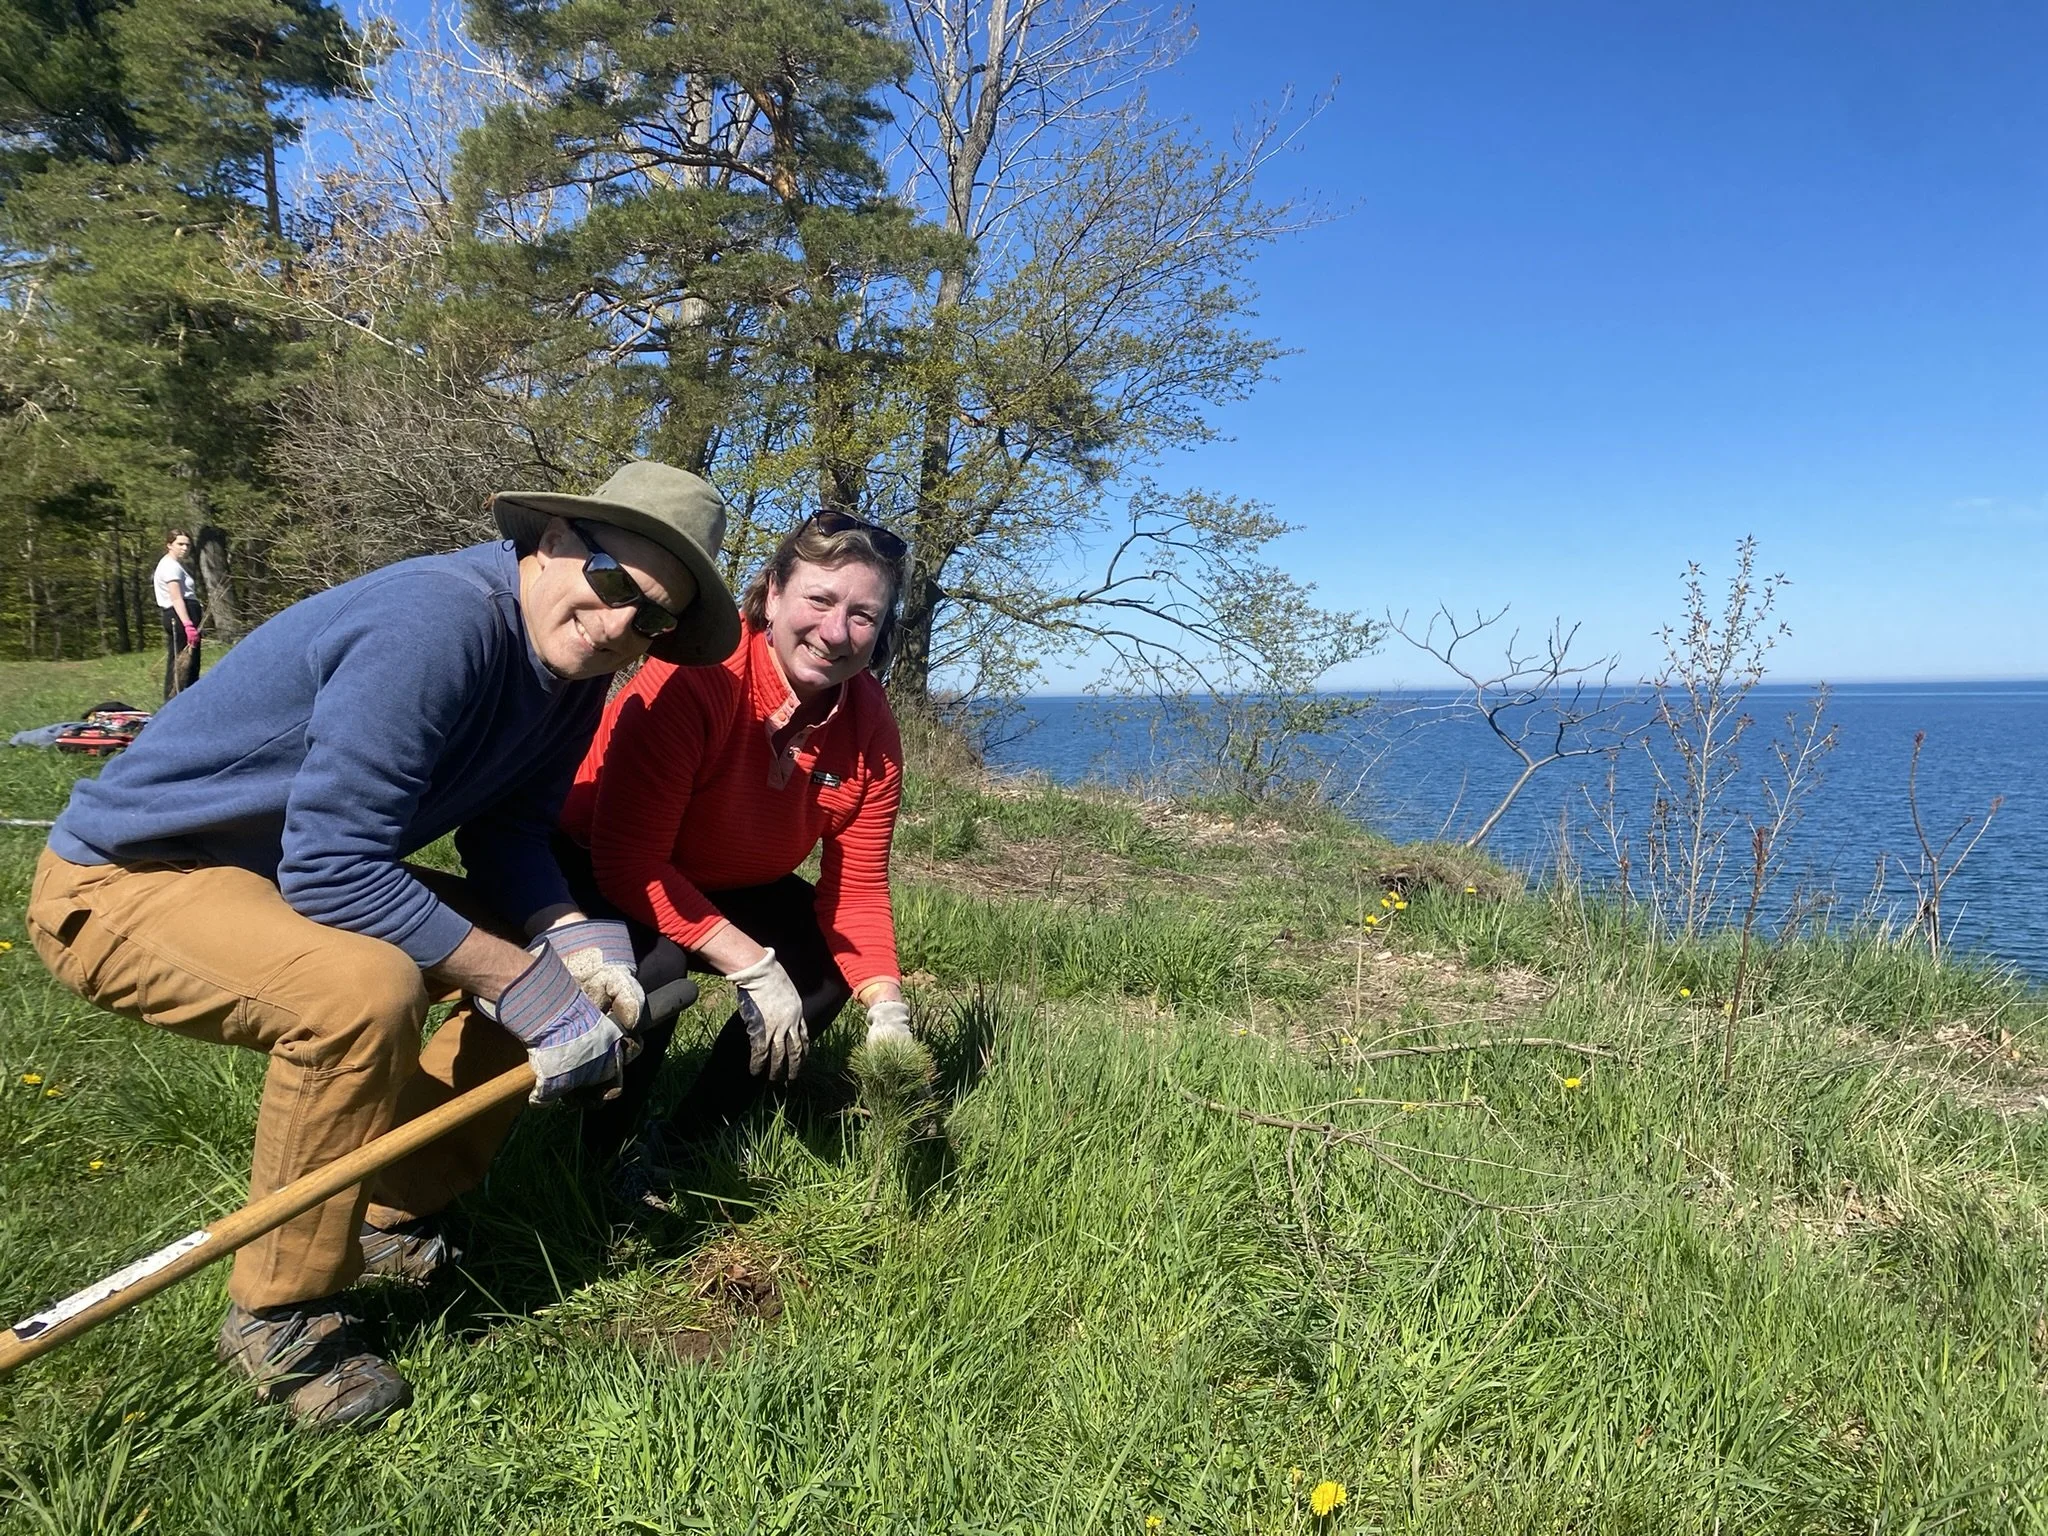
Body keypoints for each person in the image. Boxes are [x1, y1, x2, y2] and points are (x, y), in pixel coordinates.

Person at [26, 461, 740, 1429]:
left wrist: (577, 948)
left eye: (651, 619)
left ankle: (388, 1214)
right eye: (612, 582)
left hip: (275, 874)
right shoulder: (436, 621)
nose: (617, 624)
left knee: (552, 963)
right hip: (128, 876)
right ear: (552, 541)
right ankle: (282, 1314)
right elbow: (334, 868)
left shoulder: (572, 673)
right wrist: (532, 992)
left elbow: (510, 835)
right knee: (362, 992)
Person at [556, 509, 914, 1182]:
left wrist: (887, 1006)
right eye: (819, 599)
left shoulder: (868, 722)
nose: (836, 632)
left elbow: (857, 891)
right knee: (655, 967)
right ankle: (590, 1166)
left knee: (823, 955)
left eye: (864, 615)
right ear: (773, 593)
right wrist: (752, 965)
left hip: (719, 879)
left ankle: (686, 1146)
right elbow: (629, 863)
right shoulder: (699, 677)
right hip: (592, 864)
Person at [154, 528, 202, 700]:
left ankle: (190, 699)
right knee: (180, 664)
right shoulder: (170, 567)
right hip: (180, 615)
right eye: (180, 544)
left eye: (187, 545)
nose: (184, 548)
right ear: (169, 545)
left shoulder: (177, 565)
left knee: (191, 663)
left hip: (186, 612)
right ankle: (174, 701)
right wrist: (188, 624)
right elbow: (176, 597)